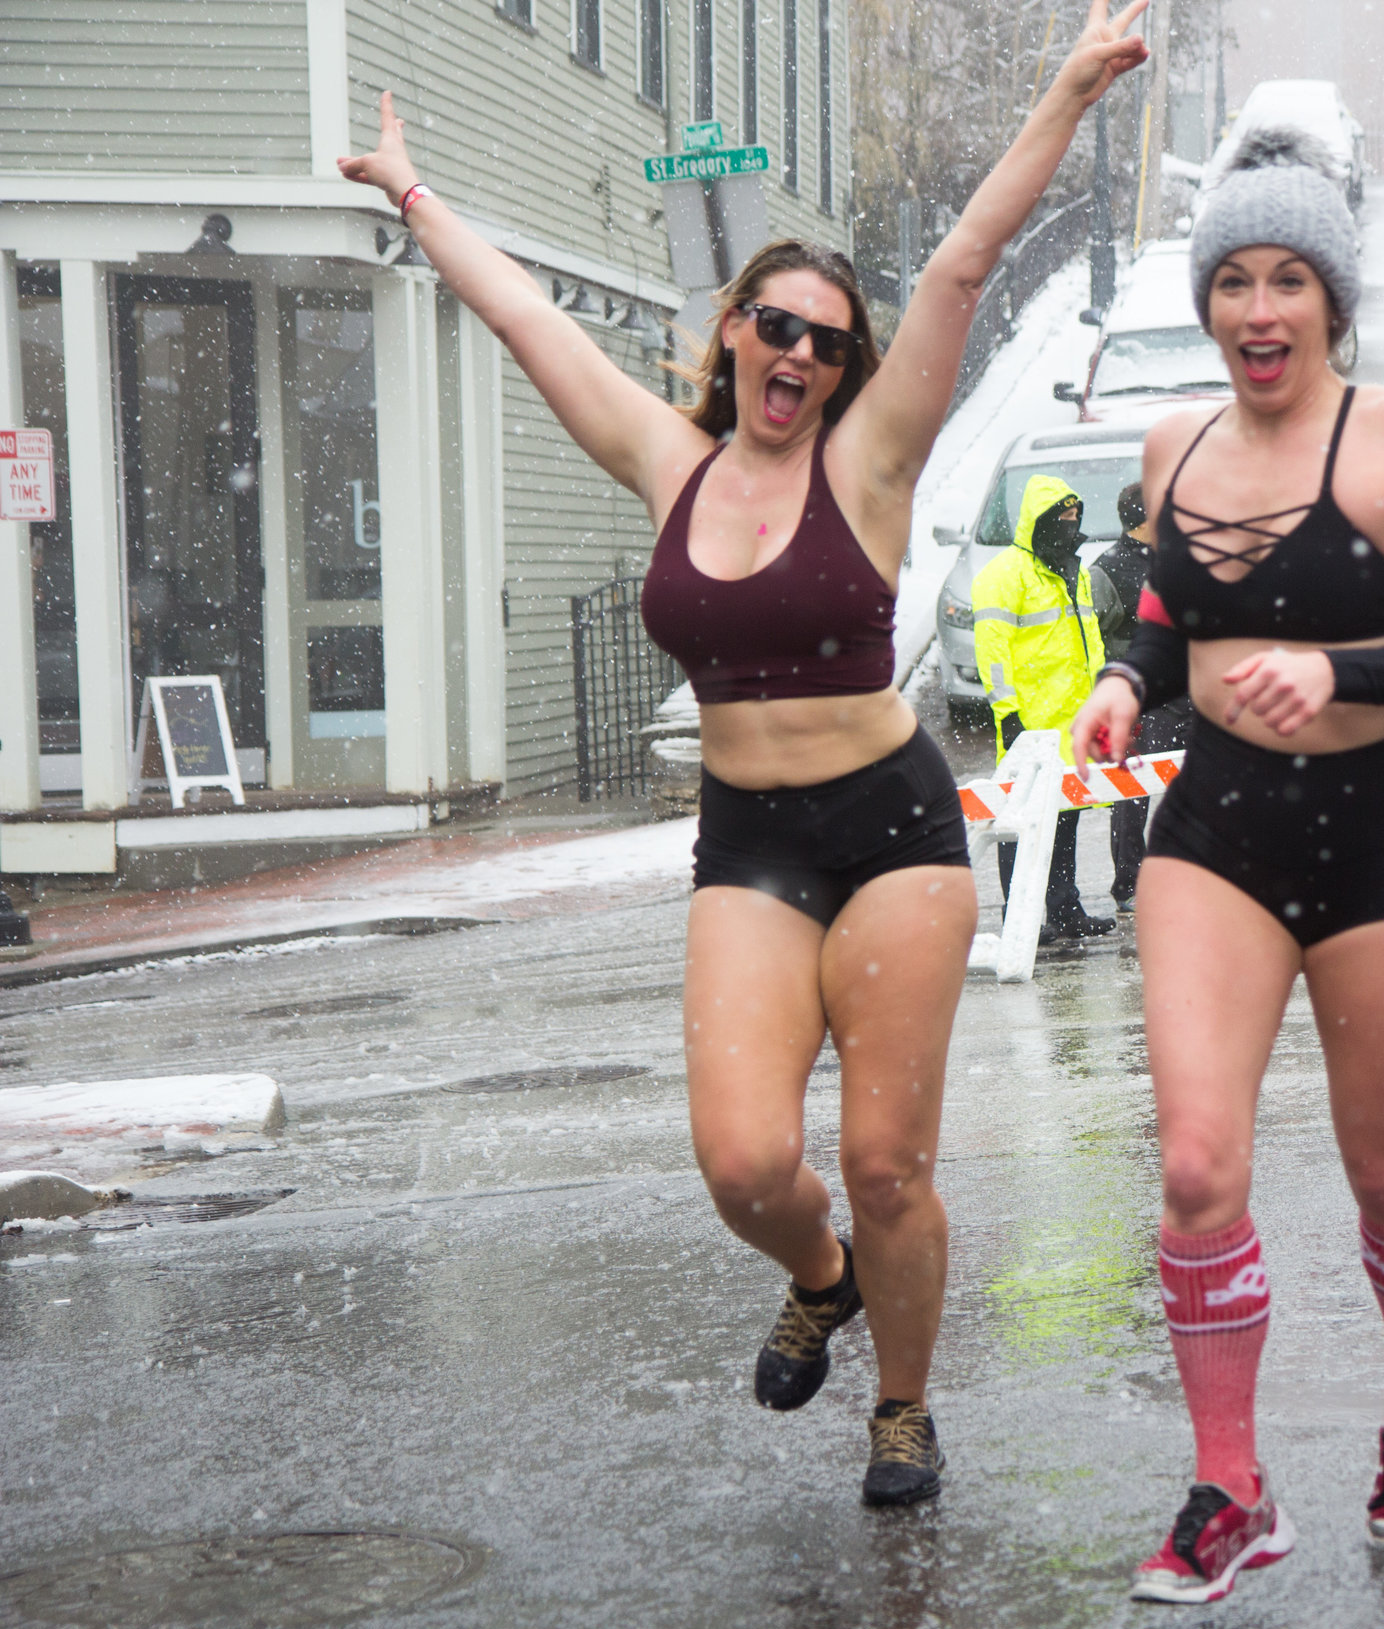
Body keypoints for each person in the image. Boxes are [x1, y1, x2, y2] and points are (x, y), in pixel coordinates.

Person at [336, 2, 1149, 1510]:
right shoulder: (668, 458)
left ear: (846, 369)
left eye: (828, 342)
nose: (800, 353)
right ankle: (820, 1273)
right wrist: (414, 195)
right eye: (775, 324)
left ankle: (902, 1404)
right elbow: (529, 325)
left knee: (890, 1155)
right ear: (731, 329)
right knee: (744, 1162)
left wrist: (1069, 87)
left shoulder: (871, 458)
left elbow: (964, 259)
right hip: (751, 843)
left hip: (894, 831)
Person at [1066, 128, 1384, 1601]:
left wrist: (1332, 666)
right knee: (1196, 1165)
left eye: (1288, 281)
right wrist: (1132, 683)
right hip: (1221, 836)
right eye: (1234, 281)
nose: (1260, 310)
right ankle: (1229, 1483)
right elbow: (1160, 612)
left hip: (1383, 842)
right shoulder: (1170, 445)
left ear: (1331, 297)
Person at [972, 475, 1116, 940]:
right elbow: (993, 653)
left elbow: (1090, 640)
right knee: (1018, 821)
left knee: (1065, 819)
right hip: (1029, 724)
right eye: (1063, 520)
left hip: (1072, 722)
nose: (1071, 528)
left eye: (1076, 519)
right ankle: (1021, 916)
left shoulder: (1073, 571)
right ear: (1041, 521)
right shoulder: (1004, 576)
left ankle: (1063, 908)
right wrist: (1007, 712)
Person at [1091, 481, 1194, 909]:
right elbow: (1095, 635)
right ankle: (1130, 883)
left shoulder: (1179, 560)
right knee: (1132, 794)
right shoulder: (1107, 569)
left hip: (1190, 694)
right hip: (1146, 705)